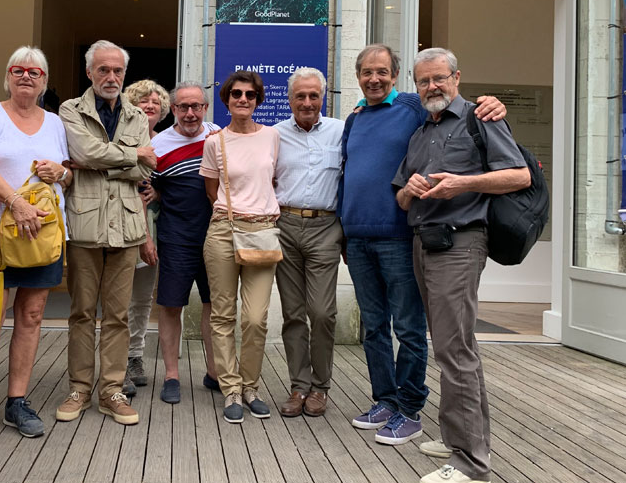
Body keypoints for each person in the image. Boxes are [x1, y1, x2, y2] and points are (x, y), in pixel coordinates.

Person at [340, 44, 506, 446]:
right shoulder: (355, 117)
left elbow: (448, 99)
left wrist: (492, 103)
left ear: (395, 76)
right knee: (374, 328)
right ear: (358, 77)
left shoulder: (414, 106)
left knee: (409, 329)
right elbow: (347, 173)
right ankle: (385, 399)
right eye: (366, 72)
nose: (374, 79)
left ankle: (410, 407)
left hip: (402, 238)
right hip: (359, 239)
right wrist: (344, 232)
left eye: (382, 71)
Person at [394, 47, 529, 483]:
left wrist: (463, 183)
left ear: (456, 78)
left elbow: (519, 176)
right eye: (423, 82)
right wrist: (410, 191)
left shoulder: (482, 118)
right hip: (424, 244)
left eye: (439, 79)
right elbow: (399, 198)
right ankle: (458, 437)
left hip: (460, 243)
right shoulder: (422, 131)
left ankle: (472, 465)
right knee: (451, 346)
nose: (432, 87)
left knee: (455, 351)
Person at [0, 47, 71, 452]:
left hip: (42, 234)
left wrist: (63, 172)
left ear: (44, 80)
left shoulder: (55, 122)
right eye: (18, 70)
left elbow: (65, 173)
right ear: (7, 76)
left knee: (33, 315)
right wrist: (16, 204)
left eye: (34, 72)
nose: (26, 77)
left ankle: (16, 402)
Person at [57, 40, 156, 426]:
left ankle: (111, 389)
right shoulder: (70, 109)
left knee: (118, 315)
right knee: (82, 312)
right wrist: (132, 157)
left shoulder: (137, 116)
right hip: (85, 224)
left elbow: (146, 171)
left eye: (117, 71)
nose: (111, 77)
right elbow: (83, 152)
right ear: (89, 73)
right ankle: (79, 387)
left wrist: (99, 162)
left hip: (128, 227)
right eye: (103, 70)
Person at [200, 70, 280, 424]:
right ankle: (231, 388)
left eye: (249, 95)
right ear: (227, 99)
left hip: (263, 231)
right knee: (221, 314)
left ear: (258, 99)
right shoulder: (214, 142)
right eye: (236, 94)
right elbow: (211, 191)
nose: (243, 100)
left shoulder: (273, 137)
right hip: (223, 230)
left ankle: (251, 386)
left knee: (255, 318)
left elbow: (274, 179)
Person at [272, 67, 343, 418]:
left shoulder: (341, 131)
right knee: (293, 313)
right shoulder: (274, 135)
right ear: (289, 99)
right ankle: (299, 386)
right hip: (284, 224)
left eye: (314, 95)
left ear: (323, 97)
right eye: (300, 96)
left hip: (326, 227)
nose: (307, 102)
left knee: (322, 312)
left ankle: (322, 385)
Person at [145, 81, 220, 404]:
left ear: (205, 108)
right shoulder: (158, 146)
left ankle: (215, 372)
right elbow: (147, 194)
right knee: (171, 305)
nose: (190, 113)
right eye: (183, 107)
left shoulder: (219, 137)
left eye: (196, 107)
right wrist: (146, 239)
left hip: (217, 235)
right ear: (173, 109)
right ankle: (172, 375)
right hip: (175, 237)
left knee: (214, 306)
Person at [121, 79, 168, 395]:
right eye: (143, 100)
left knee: (141, 299)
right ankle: (118, 361)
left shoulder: (167, 142)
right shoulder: (123, 139)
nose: (150, 105)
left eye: (155, 101)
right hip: (126, 228)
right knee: (120, 299)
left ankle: (136, 356)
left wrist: (160, 192)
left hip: (158, 227)